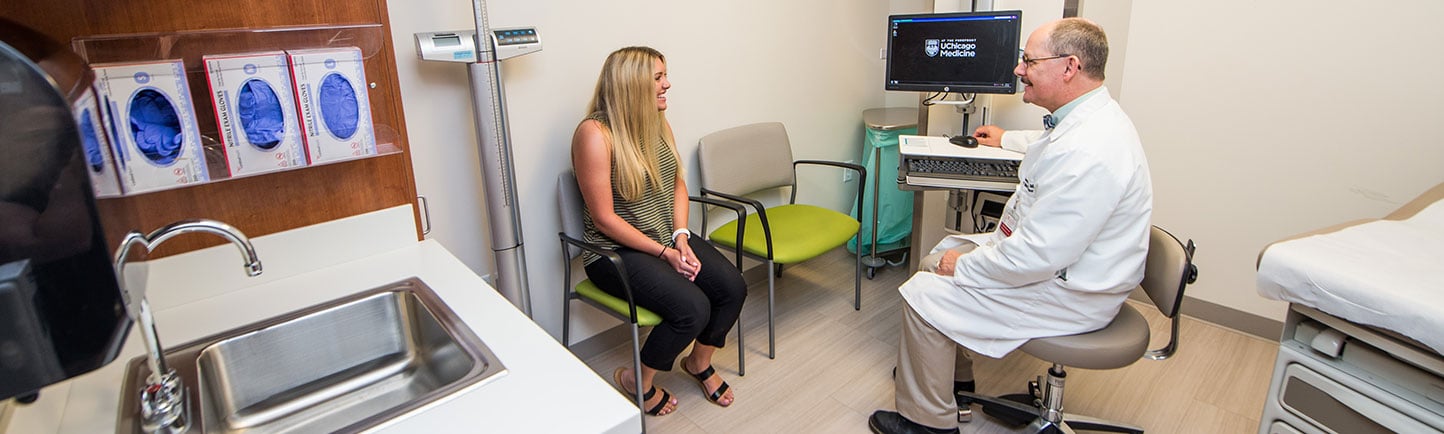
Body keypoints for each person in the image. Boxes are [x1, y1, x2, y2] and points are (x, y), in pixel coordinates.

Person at [869, 17, 1153, 434]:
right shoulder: (1087, 120)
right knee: (940, 251)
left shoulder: (1091, 150)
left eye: (1029, 61)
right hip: (1065, 267)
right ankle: (955, 382)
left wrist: (961, 267)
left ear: (1069, 67)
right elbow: (1049, 147)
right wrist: (1005, 138)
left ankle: (928, 425)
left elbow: (1035, 256)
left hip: (1070, 291)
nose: (1019, 70)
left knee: (923, 292)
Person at [571, 46, 748, 417]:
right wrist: (665, 253)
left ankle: (699, 362)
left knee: (733, 287)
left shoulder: (657, 120)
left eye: (665, 75)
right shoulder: (594, 135)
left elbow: (677, 184)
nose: (667, 84)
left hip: (666, 237)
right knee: (692, 308)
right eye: (658, 77)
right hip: (614, 254)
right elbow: (604, 219)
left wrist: (681, 236)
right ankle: (638, 380)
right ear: (632, 83)